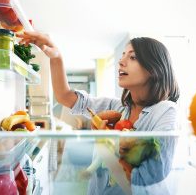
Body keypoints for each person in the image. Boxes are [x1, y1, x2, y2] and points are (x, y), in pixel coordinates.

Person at [18, 31, 180, 195]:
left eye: (132, 57)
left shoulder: (165, 111)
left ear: (153, 69)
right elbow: (64, 96)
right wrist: (56, 56)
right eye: (123, 55)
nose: (121, 61)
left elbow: (147, 178)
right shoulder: (117, 107)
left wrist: (105, 143)